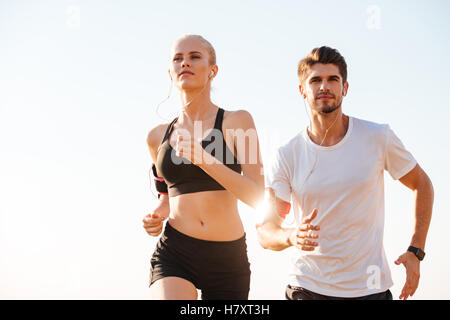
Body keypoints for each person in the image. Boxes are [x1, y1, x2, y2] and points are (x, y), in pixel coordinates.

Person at [256, 46, 434, 300]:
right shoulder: (287, 154)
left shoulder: (377, 137)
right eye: (315, 80)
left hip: (370, 288)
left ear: (345, 88)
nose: (324, 87)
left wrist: (416, 251)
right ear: (302, 91)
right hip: (307, 288)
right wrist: (291, 235)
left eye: (333, 80)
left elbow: (423, 184)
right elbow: (266, 231)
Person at [143, 35, 264, 300]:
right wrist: (156, 215)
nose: (185, 63)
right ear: (170, 72)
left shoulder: (237, 122)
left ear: (213, 70)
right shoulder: (157, 137)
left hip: (227, 259)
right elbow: (166, 198)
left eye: (194, 56)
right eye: (178, 58)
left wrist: (205, 159)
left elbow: (257, 195)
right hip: (176, 252)